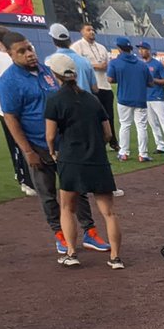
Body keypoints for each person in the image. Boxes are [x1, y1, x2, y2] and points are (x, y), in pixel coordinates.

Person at [0, 32, 109, 259]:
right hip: (37, 144)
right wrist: (27, 150)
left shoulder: (47, 72)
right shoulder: (8, 81)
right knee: (48, 193)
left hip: (66, 143)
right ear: (9, 54)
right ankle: (60, 235)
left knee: (77, 187)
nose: (29, 54)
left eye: (30, 48)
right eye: (22, 51)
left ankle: (90, 231)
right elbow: (11, 118)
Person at [44, 54, 122, 270]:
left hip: (71, 159)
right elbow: (107, 132)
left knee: (67, 209)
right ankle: (115, 258)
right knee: (109, 212)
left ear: (56, 74)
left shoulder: (55, 100)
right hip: (97, 160)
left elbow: (50, 135)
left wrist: (52, 152)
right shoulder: (91, 99)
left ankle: (71, 252)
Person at [0, 25, 36, 197]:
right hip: (27, 107)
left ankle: (24, 179)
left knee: (16, 145)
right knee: (30, 143)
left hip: (5, 110)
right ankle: (28, 178)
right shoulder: (21, 55)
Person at [105, 36, 153, 162]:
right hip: (140, 98)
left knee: (125, 125)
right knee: (141, 126)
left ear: (119, 48)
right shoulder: (141, 64)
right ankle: (143, 154)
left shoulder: (115, 62)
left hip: (124, 98)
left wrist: (121, 79)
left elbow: (110, 79)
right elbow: (150, 83)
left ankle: (124, 152)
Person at [71, 24, 117, 150]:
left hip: (105, 86)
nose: (91, 32)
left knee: (109, 115)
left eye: (93, 30)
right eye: (88, 30)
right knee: (93, 116)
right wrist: (96, 66)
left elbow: (108, 63)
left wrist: (103, 66)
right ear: (82, 32)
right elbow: (76, 63)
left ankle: (113, 141)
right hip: (89, 86)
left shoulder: (101, 47)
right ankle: (96, 141)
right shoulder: (77, 46)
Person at [137, 42, 164, 155]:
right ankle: (160, 145)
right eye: (139, 49)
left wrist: (152, 80)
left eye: (143, 49)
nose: (141, 51)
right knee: (153, 123)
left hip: (157, 97)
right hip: (145, 97)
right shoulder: (140, 65)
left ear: (148, 50)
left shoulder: (157, 64)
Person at [46, 23, 97, 95]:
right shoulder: (85, 61)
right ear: (69, 40)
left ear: (54, 41)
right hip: (86, 102)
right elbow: (95, 89)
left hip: (63, 103)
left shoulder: (49, 62)